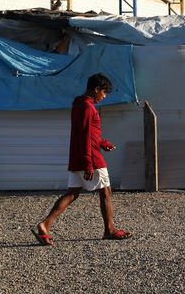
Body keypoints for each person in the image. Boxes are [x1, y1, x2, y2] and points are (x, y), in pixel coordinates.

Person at [32, 73, 132, 245]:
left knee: (72, 193)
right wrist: (88, 163)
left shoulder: (79, 105)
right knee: (106, 191)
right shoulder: (88, 107)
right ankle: (109, 230)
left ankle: (45, 225)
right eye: (104, 92)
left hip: (78, 155)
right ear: (96, 89)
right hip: (90, 157)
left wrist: (102, 142)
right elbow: (85, 136)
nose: (104, 96)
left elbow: (86, 133)